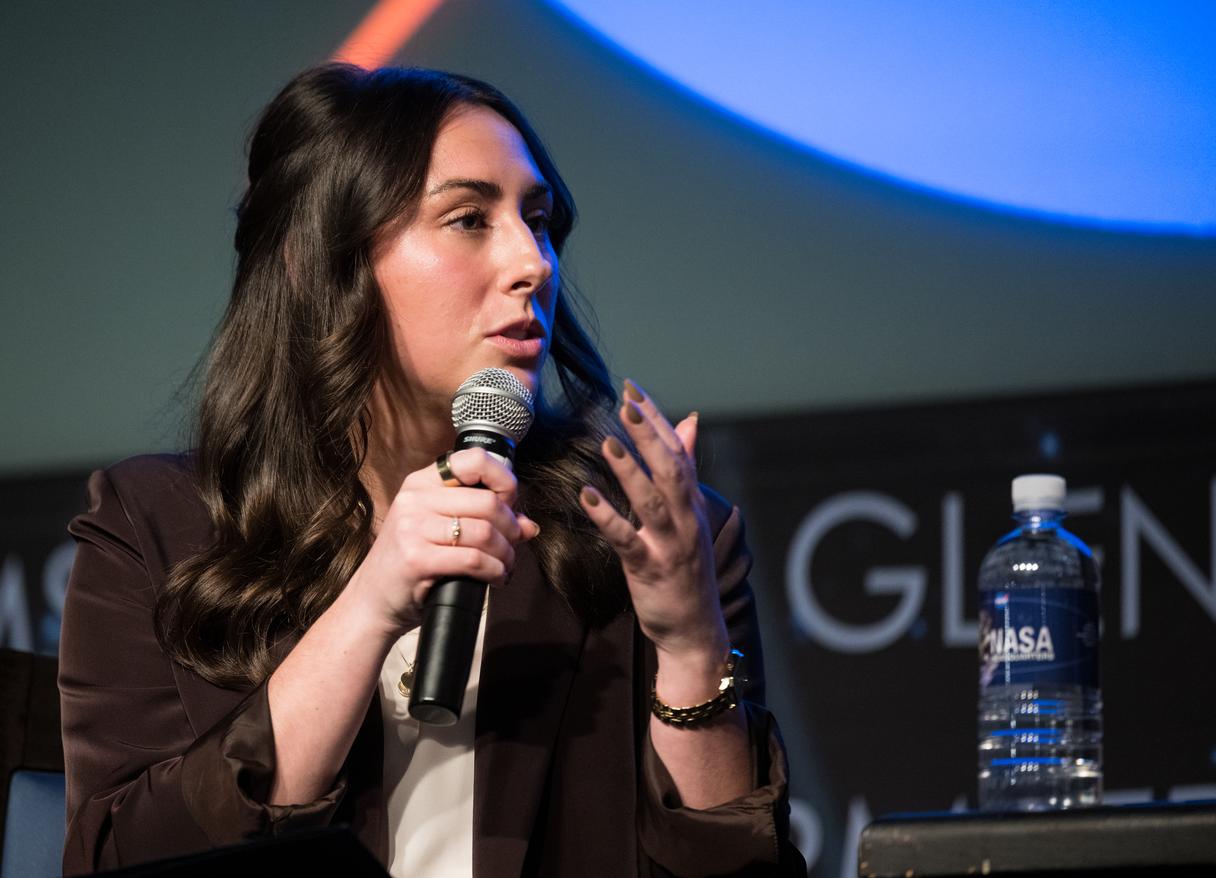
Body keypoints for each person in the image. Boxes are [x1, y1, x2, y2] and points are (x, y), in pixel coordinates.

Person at [59, 63, 805, 877]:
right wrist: (371, 602)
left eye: (540, 219)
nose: (535, 263)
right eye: (468, 219)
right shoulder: (154, 525)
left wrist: (691, 641)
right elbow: (119, 858)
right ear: (321, 263)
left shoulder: (644, 536)